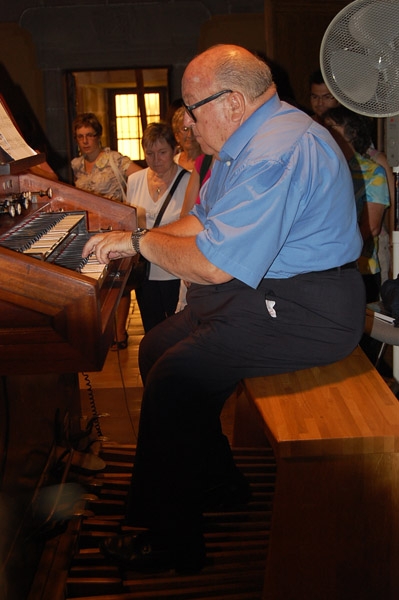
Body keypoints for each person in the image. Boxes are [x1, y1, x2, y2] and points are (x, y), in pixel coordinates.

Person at [82, 44, 365, 574]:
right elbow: (200, 224)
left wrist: (140, 243)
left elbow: (213, 264)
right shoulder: (248, 140)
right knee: (159, 345)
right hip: (271, 292)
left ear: (232, 102)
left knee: (175, 377)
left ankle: (174, 544)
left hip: (313, 309)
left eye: (192, 108)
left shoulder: (277, 148)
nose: (186, 125)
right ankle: (218, 481)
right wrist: (133, 238)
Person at [118, 121, 190, 336]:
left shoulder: (188, 181)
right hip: (145, 270)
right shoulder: (135, 180)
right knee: (152, 330)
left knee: (178, 330)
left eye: (162, 152)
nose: (156, 160)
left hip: (175, 269)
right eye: (150, 153)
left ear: (174, 150)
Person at [324, 106, 390, 303]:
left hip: (359, 268)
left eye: (331, 127)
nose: (325, 133)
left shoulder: (371, 171)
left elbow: (372, 227)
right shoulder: (323, 167)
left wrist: (339, 257)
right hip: (324, 268)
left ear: (351, 133)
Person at [71, 112, 141, 203]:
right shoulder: (77, 165)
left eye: (89, 135)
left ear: (98, 136)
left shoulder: (114, 159)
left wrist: (130, 200)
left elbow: (142, 177)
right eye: (80, 137)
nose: (85, 141)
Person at [172, 106, 202, 171]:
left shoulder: (210, 161)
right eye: (185, 129)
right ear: (177, 136)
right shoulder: (172, 162)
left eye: (193, 127)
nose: (190, 134)